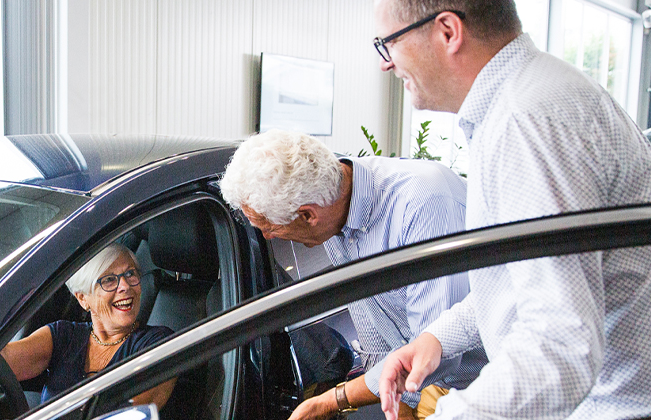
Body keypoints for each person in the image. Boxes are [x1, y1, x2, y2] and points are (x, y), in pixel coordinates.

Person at [371, 1, 651, 419]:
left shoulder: (525, 122)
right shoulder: (532, 96)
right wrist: (438, 338)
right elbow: (520, 280)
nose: (386, 64)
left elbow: (560, 346)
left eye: (388, 43)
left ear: (447, 31)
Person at [219, 129, 485, 420]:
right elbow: (374, 331)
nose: (267, 237)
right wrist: (399, 407)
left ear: (308, 215)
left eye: (268, 226)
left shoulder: (423, 205)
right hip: (436, 384)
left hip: (495, 379)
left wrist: (330, 401)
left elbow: (436, 353)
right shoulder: (336, 211)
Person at [0, 243, 176, 407]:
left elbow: (126, 412)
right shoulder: (64, 334)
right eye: (109, 280)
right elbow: (4, 359)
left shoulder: (158, 343)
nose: (125, 286)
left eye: (130, 274)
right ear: (83, 298)